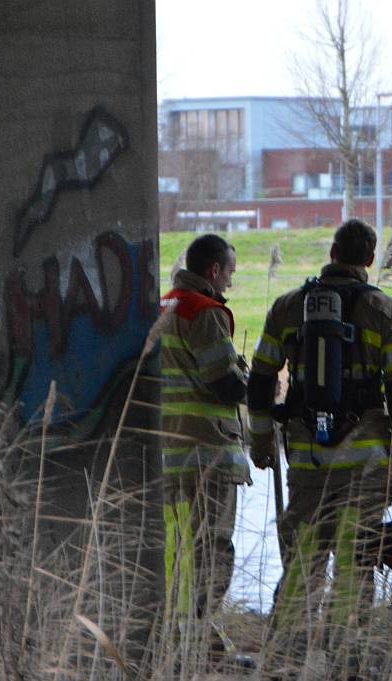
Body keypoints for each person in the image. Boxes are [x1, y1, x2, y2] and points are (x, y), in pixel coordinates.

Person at [247, 219, 392, 679]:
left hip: (305, 460)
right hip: (364, 465)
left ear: (331, 251)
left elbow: (261, 379)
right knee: (354, 560)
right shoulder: (386, 311)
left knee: (303, 558)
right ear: (369, 259)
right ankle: (349, 662)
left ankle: (283, 662)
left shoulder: (287, 307)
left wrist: (262, 440)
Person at [159, 233, 252, 670]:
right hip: (209, 452)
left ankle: (180, 639)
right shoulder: (207, 312)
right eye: (229, 272)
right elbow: (223, 381)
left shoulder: (165, 306)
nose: (230, 282)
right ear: (214, 271)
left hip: (171, 454)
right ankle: (203, 642)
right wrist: (249, 377)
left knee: (180, 549)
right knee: (213, 548)